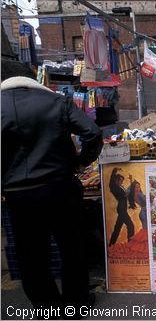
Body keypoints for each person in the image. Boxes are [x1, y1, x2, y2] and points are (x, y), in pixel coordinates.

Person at [1, 61, 103, 318]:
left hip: (19, 196)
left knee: (31, 256)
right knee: (72, 249)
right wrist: (80, 162)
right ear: (34, 77)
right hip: (61, 188)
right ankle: (75, 305)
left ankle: (48, 309)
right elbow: (92, 133)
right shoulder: (57, 101)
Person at [108, 167, 135, 246]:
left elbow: (128, 191)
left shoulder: (121, 187)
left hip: (122, 209)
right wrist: (115, 170)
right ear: (116, 181)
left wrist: (130, 181)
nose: (121, 182)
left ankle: (111, 244)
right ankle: (130, 243)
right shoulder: (114, 187)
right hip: (121, 209)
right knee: (130, 225)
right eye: (120, 180)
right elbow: (111, 180)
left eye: (122, 181)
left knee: (118, 227)